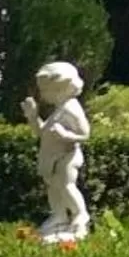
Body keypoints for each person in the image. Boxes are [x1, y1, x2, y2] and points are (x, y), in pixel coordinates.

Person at [23, 61, 91, 242]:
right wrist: (33, 117)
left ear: (61, 89)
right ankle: (59, 215)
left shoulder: (71, 108)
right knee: (53, 186)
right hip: (52, 156)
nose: (43, 94)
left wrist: (65, 135)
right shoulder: (59, 109)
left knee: (67, 185)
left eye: (45, 90)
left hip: (67, 155)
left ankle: (80, 215)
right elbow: (42, 132)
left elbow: (85, 134)